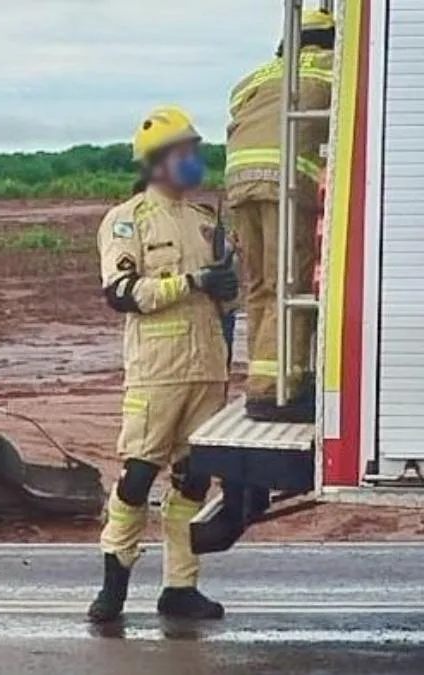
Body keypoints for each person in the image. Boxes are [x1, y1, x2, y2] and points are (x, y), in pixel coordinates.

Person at [88, 106, 238, 623]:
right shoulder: (128, 219)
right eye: (184, 152)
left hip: (208, 369)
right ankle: (113, 586)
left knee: (194, 480)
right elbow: (122, 292)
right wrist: (192, 283)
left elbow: (228, 300)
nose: (193, 161)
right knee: (137, 476)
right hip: (157, 371)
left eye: (195, 151)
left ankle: (180, 587)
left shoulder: (205, 221)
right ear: (156, 161)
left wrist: (226, 289)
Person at [226, 8, 334, 423]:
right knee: (288, 286)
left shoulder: (254, 78)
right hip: (284, 183)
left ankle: (261, 378)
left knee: (259, 286)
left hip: (240, 184)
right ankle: (278, 390)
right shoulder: (330, 68)